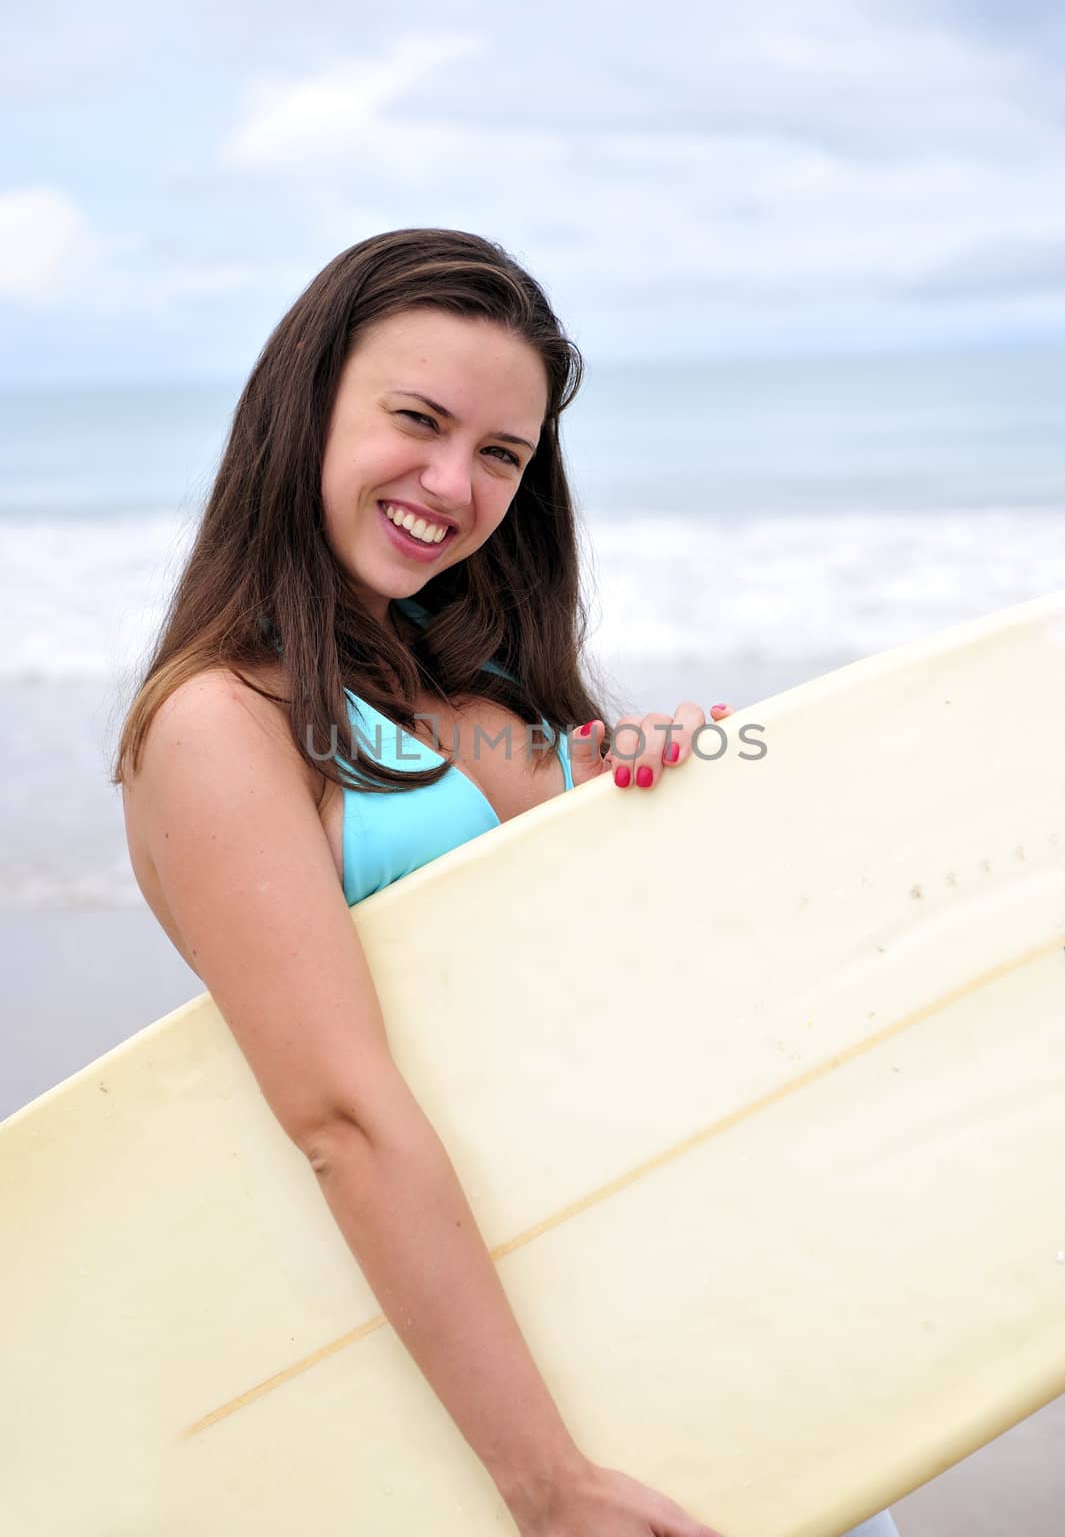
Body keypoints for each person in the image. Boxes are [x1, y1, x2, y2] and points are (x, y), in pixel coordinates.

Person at [114, 227, 897, 1537]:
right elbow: (343, 1120)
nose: (451, 483)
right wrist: (546, 1484)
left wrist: (638, 798)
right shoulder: (221, 726)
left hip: (698, 1295)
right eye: (415, 420)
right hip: (516, 1394)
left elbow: (593, 989)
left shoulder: (476, 693)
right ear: (304, 409)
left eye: (500, 454)